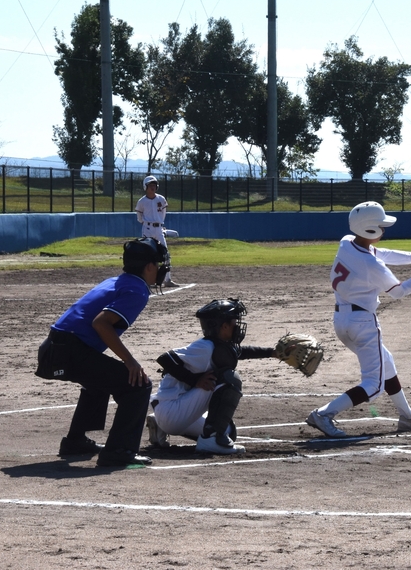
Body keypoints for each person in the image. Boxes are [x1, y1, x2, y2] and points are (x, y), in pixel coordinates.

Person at [306, 201, 411, 438]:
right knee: (374, 384)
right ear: (370, 228)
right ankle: (324, 413)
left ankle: (408, 417)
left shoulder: (347, 242)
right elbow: (398, 292)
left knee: (386, 363)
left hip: (342, 320)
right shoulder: (371, 264)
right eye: (380, 225)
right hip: (363, 324)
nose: (384, 229)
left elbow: (383, 254)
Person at [35, 237, 167, 467]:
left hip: (55, 348)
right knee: (138, 384)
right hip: (69, 351)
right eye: (158, 263)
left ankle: (75, 442)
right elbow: (101, 323)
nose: (161, 268)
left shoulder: (117, 281)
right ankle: (119, 451)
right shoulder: (137, 290)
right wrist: (130, 361)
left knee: (100, 379)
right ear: (148, 267)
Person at [146, 298, 279, 455]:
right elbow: (165, 358)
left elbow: (239, 352)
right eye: (234, 322)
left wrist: (273, 353)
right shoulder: (204, 347)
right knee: (228, 378)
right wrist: (194, 380)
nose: (237, 326)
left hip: (173, 412)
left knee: (228, 431)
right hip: (173, 410)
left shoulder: (217, 346)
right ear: (224, 326)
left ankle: (159, 424)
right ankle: (211, 440)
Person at [135, 175, 177, 287]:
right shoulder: (142, 201)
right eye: (150, 185)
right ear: (145, 186)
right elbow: (139, 217)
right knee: (148, 255)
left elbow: (163, 214)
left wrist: (159, 223)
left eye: (154, 185)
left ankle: (167, 279)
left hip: (158, 229)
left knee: (165, 253)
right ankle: (148, 280)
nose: (153, 187)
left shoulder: (161, 199)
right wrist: (146, 223)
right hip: (147, 228)